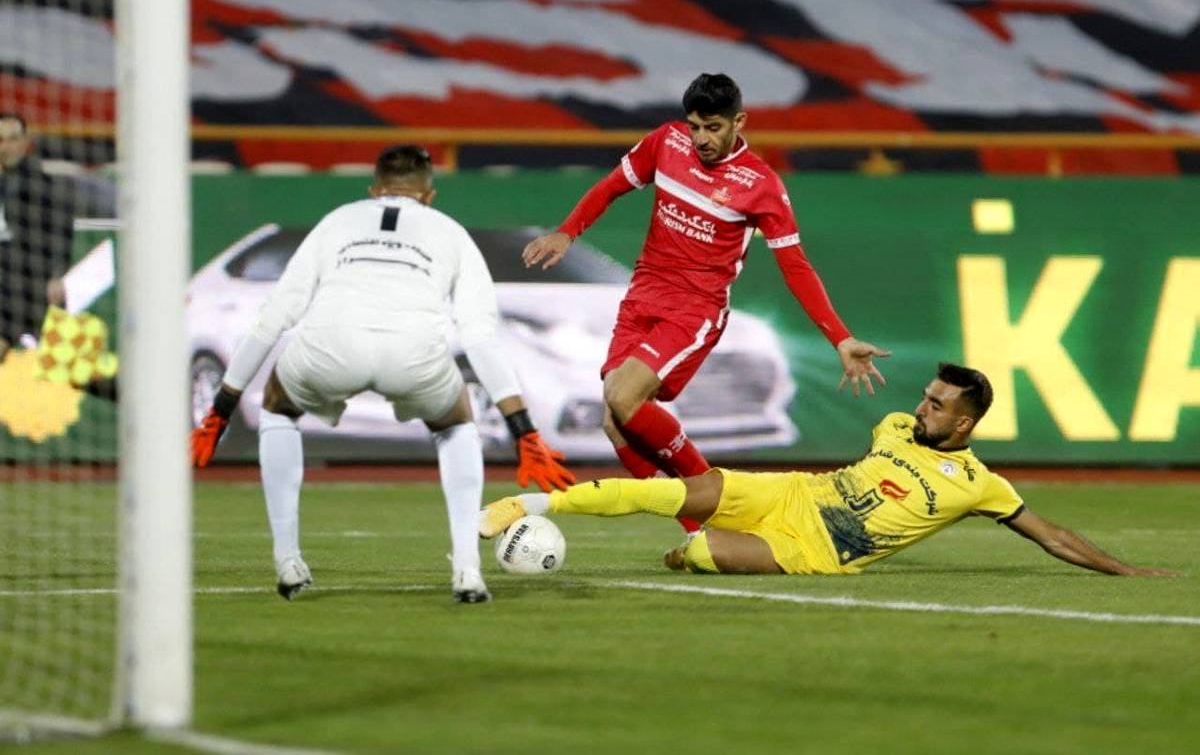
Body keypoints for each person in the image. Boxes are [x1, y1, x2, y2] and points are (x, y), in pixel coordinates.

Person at [191, 145, 575, 604]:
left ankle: (288, 560)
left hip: (330, 349)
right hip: (412, 356)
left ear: (374, 191)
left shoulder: (337, 221)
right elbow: (480, 339)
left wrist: (219, 413)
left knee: (278, 405)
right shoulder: (450, 232)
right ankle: (467, 570)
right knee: (457, 423)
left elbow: (272, 320)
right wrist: (524, 431)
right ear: (429, 196)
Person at [521, 73, 889, 536]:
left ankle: (716, 499)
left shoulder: (760, 184)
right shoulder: (665, 143)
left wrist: (840, 337)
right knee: (614, 423)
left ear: (739, 122)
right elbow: (613, 185)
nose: (701, 139)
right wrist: (567, 231)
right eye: (694, 126)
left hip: (695, 307)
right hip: (642, 295)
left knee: (622, 396)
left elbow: (796, 267)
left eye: (713, 128)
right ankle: (701, 530)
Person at [481, 363, 1173, 577]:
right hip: (790, 492)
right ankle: (530, 506)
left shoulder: (980, 486)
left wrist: (1128, 571)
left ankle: (690, 553)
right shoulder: (895, 426)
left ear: (964, 425)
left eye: (936, 405)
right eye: (925, 396)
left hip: (814, 549)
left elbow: (1050, 535)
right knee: (673, 492)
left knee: (699, 552)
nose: (921, 407)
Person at [0, 113, 74, 361]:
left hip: (29, 287)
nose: (6, 147)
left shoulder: (41, 186)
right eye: (0, 140)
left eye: (13, 139)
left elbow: (61, 232)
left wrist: (57, 275)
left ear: (26, 141)